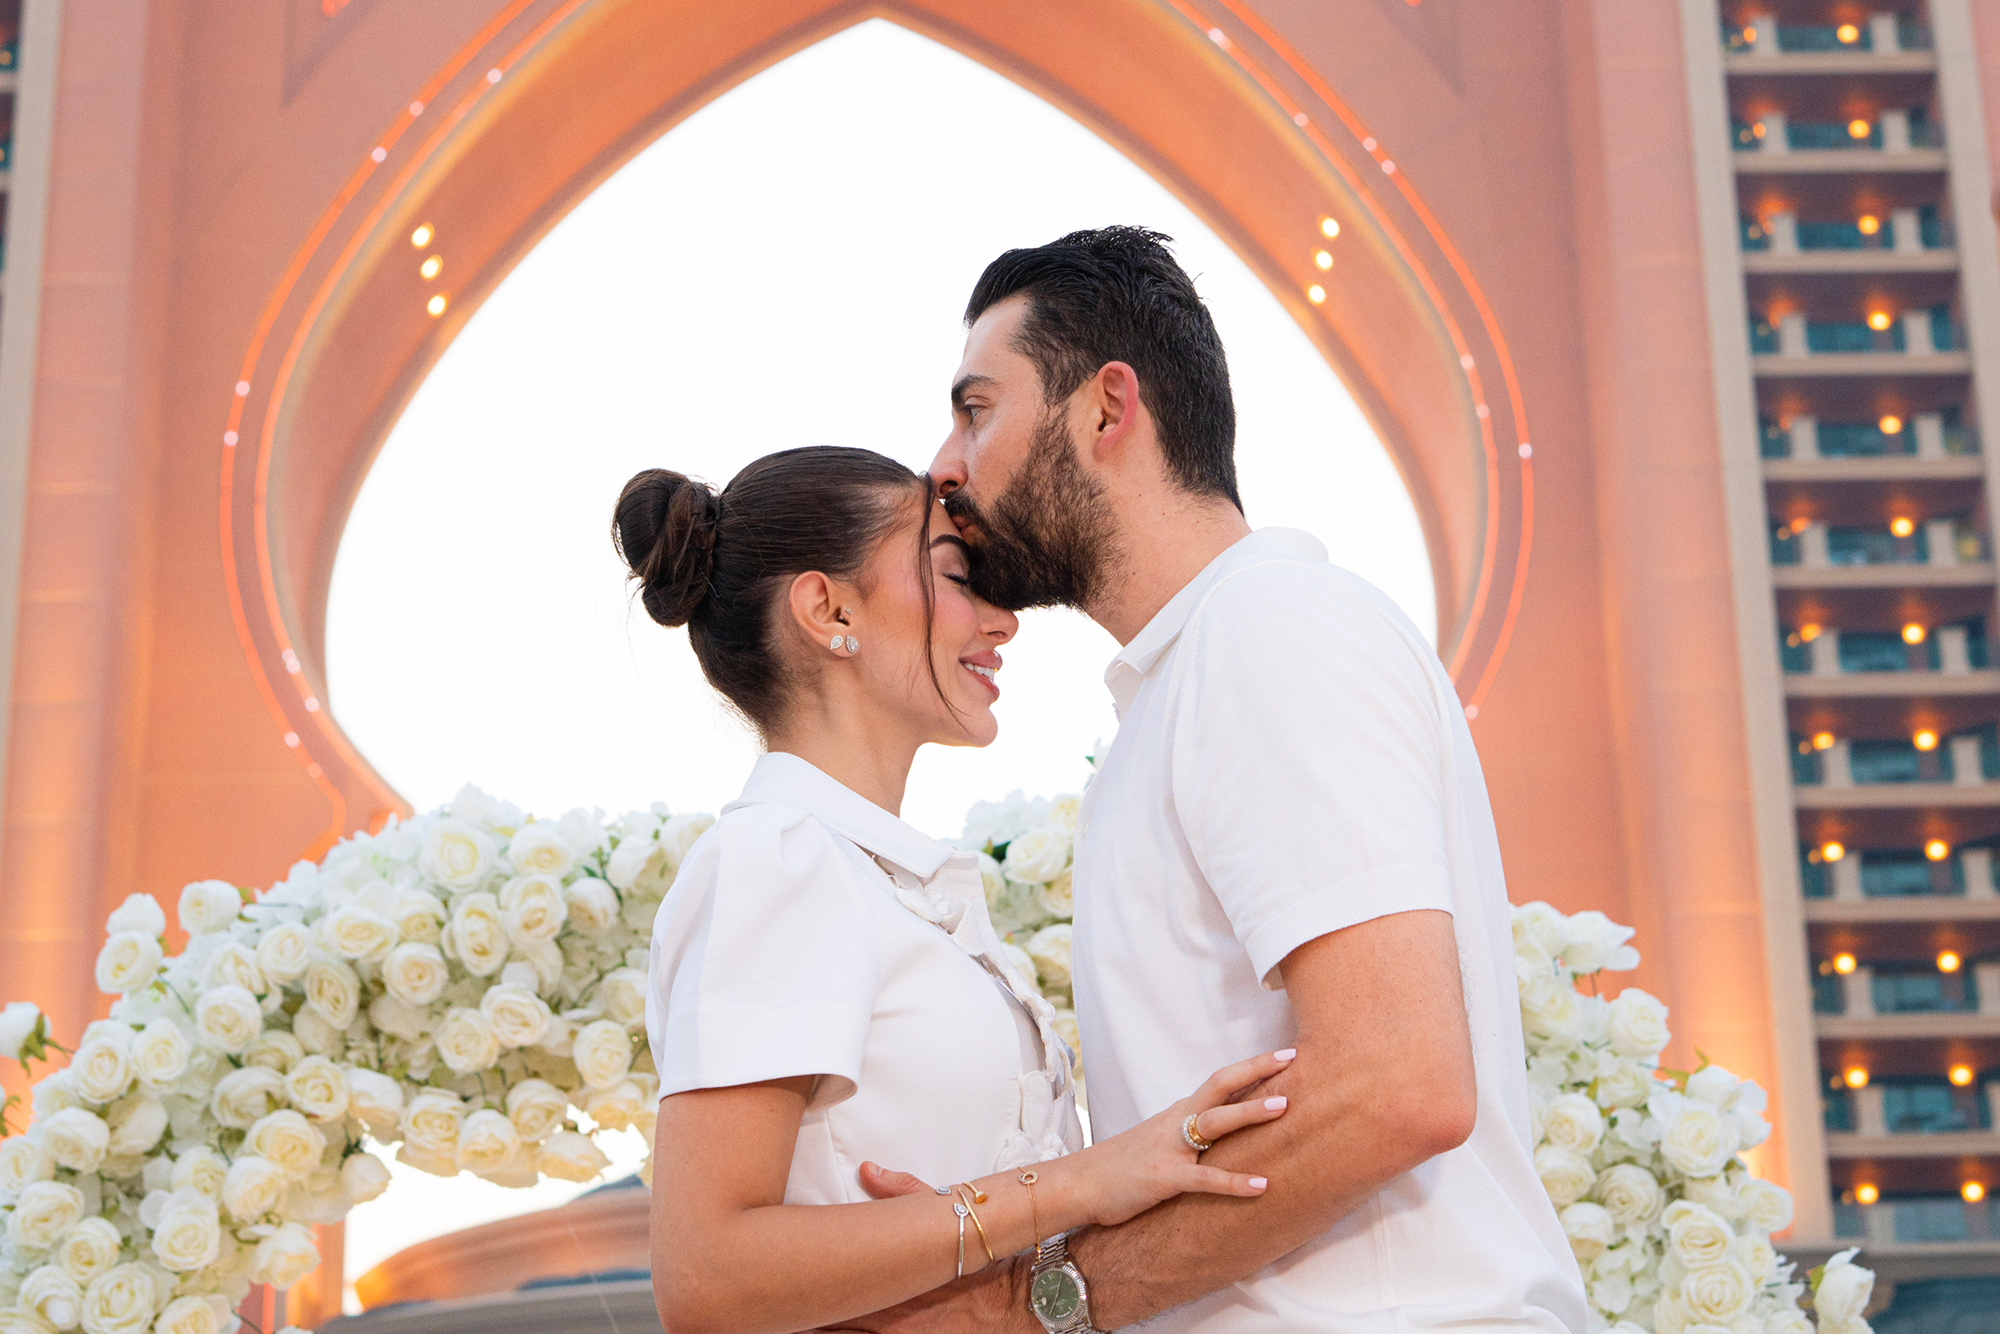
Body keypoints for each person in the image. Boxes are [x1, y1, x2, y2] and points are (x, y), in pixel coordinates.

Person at [847, 228, 1588, 1334]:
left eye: (975, 408)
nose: (943, 466)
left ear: (1106, 410)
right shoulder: (1187, 678)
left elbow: (1396, 1085)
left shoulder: (1267, 628)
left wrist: (1024, 1309)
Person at [616, 446, 1296, 1334]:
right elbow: (707, 1278)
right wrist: (1081, 1181)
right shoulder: (776, 861)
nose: (1002, 620)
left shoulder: (882, 884)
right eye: (954, 574)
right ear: (828, 609)